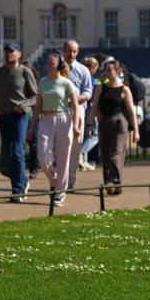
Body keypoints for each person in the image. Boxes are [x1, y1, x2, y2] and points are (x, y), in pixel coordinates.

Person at [28, 53, 80, 207]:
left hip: (63, 118)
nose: (48, 65)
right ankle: (55, 181)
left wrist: (76, 125)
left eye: (52, 63)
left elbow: (75, 105)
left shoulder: (66, 82)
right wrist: (31, 127)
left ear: (59, 65)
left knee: (63, 157)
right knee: (43, 157)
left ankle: (60, 193)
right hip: (46, 119)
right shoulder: (43, 82)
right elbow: (38, 106)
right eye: (48, 62)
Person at [0, 41, 38, 202]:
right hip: (4, 116)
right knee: (8, 153)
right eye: (7, 51)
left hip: (20, 115)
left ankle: (17, 191)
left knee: (17, 150)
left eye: (12, 51)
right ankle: (22, 182)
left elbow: (35, 96)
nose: (9, 54)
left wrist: (24, 107)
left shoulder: (25, 72)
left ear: (19, 54)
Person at [87, 59, 138, 195]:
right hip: (104, 122)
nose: (106, 72)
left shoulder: (124, 89)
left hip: (119, 123)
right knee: (105, 154)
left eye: (109, 70)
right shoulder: (100, 87)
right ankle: (110, 183)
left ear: (117, 71)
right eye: (105, 70)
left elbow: (131, 112)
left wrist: (136, 131)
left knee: (116, 152)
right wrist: (89, 124)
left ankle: (114, 181)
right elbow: (94, 107)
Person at [61, 40, 92, 190]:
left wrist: (77, 99)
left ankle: (70, 181)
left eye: (74, 51)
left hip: (77, 110)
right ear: (64, 50)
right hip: (59, 110)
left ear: (78, 52)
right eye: (69, 51)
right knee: (59, 147)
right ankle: (60, 180)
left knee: (75, 148)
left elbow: (88, 91)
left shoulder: (83, 70)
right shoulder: (57, 68)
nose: (71, 54)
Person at [78, 56, 100, 170]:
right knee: (95, 135)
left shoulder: (80, 76)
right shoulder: (90, 79)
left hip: (82, 107)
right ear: (92, 67)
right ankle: (81, 153)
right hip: (89, 107)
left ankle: (84, 161)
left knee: (86, 134)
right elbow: (90, 95)